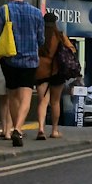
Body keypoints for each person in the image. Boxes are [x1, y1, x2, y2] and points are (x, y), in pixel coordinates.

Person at [0, 0, 44, 148]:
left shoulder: (4, 10)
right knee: (26, 97)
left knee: (12, 95)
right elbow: (41, 39)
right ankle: (18, 129)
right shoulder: (36, 13)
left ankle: (16, 128)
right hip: (30, 60)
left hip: (10, 59)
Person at [35, 12, 76, 140]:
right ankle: (54, 130)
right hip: (57, 72)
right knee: (55, 102)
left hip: (41, 72)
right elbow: (72, 50)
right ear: (55, 23)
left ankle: (41, 129)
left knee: (43, 101)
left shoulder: (38, 35)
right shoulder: (59, 35)